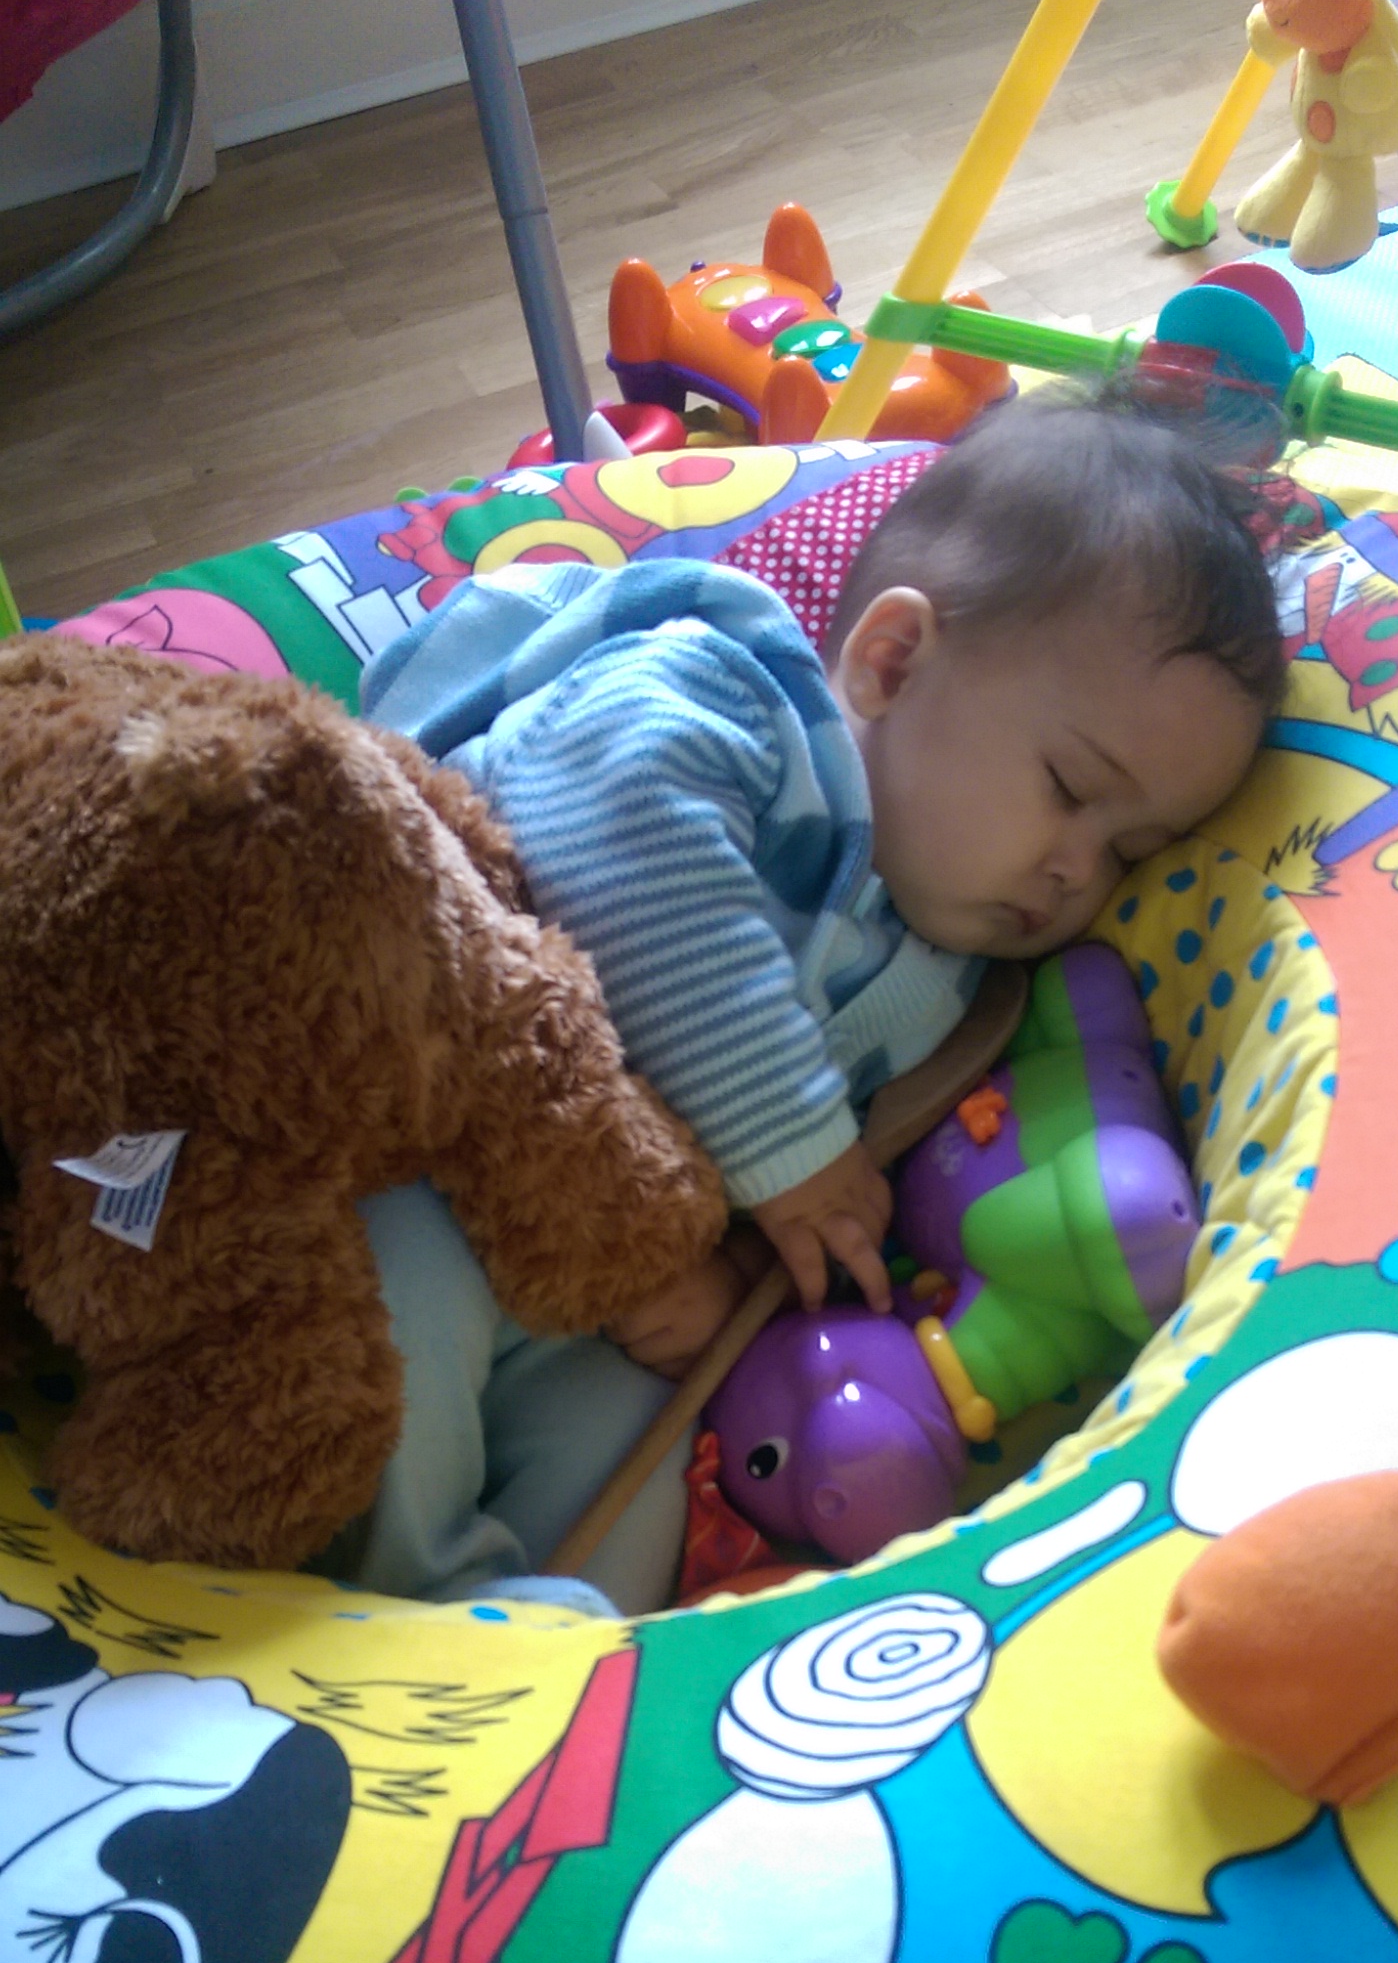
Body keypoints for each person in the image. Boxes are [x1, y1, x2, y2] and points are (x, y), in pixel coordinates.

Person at [316, 382, 1286, 1617]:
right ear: (890, 662)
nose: (1075, 872)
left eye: (1128, 851)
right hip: (427, 1145)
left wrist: (722, 1266)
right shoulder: (722, 701)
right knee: (398, 1298)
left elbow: (831, 1214)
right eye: (1068, 789)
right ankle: (408, 1595)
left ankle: (538, 1650)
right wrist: (792, 1153)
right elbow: (614, 849)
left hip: (586, 1285)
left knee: (631, 1453)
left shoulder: (953, 989)